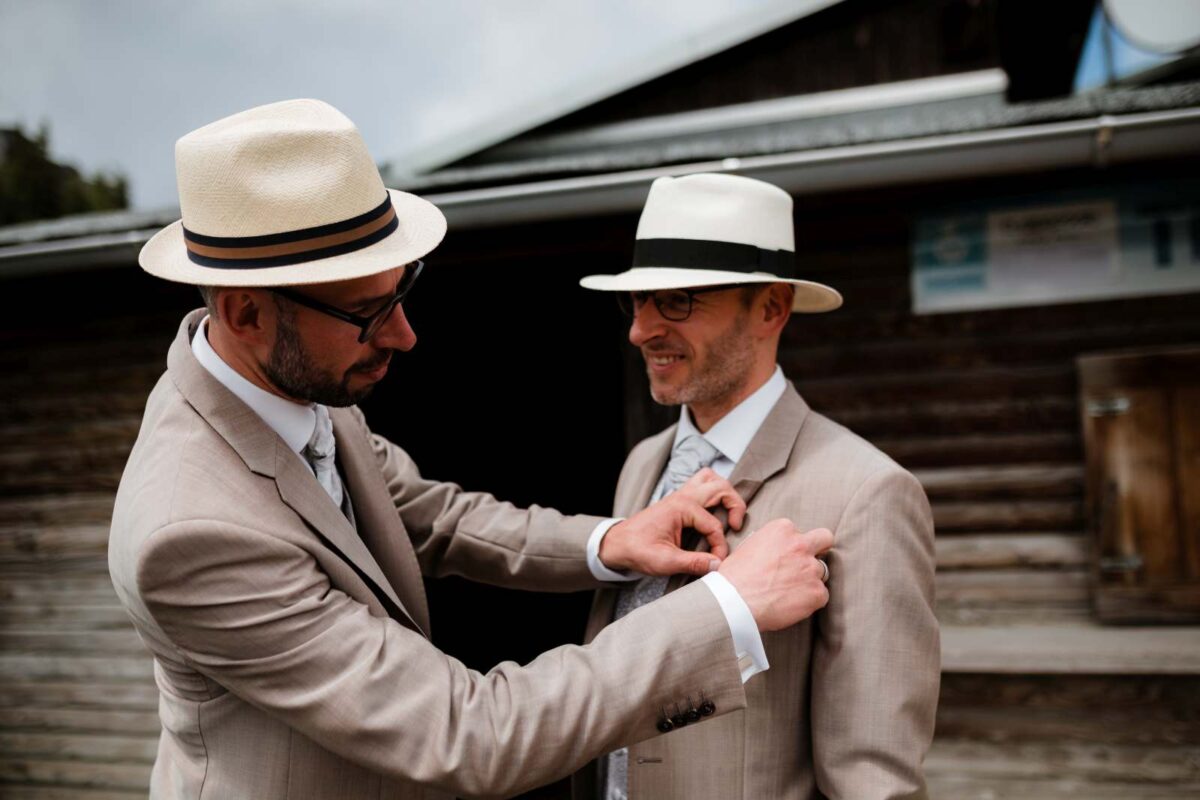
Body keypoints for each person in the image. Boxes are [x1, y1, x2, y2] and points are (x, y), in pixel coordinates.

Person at [107, 100, 835, 800]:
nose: (404, 335)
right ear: (244, 312)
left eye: (402, 292)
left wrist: (612, 540)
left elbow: (437, 518)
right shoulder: (192, 533)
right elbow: (473, 734)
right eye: (368, 314)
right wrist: (726, 608)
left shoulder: (293, 392)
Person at [575, 173, 940, 800]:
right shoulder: (641, 463)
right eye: (636, 302)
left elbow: (872, 778)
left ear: (771, 308)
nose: (641, 331)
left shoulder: (869, 490)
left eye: (678, 301)